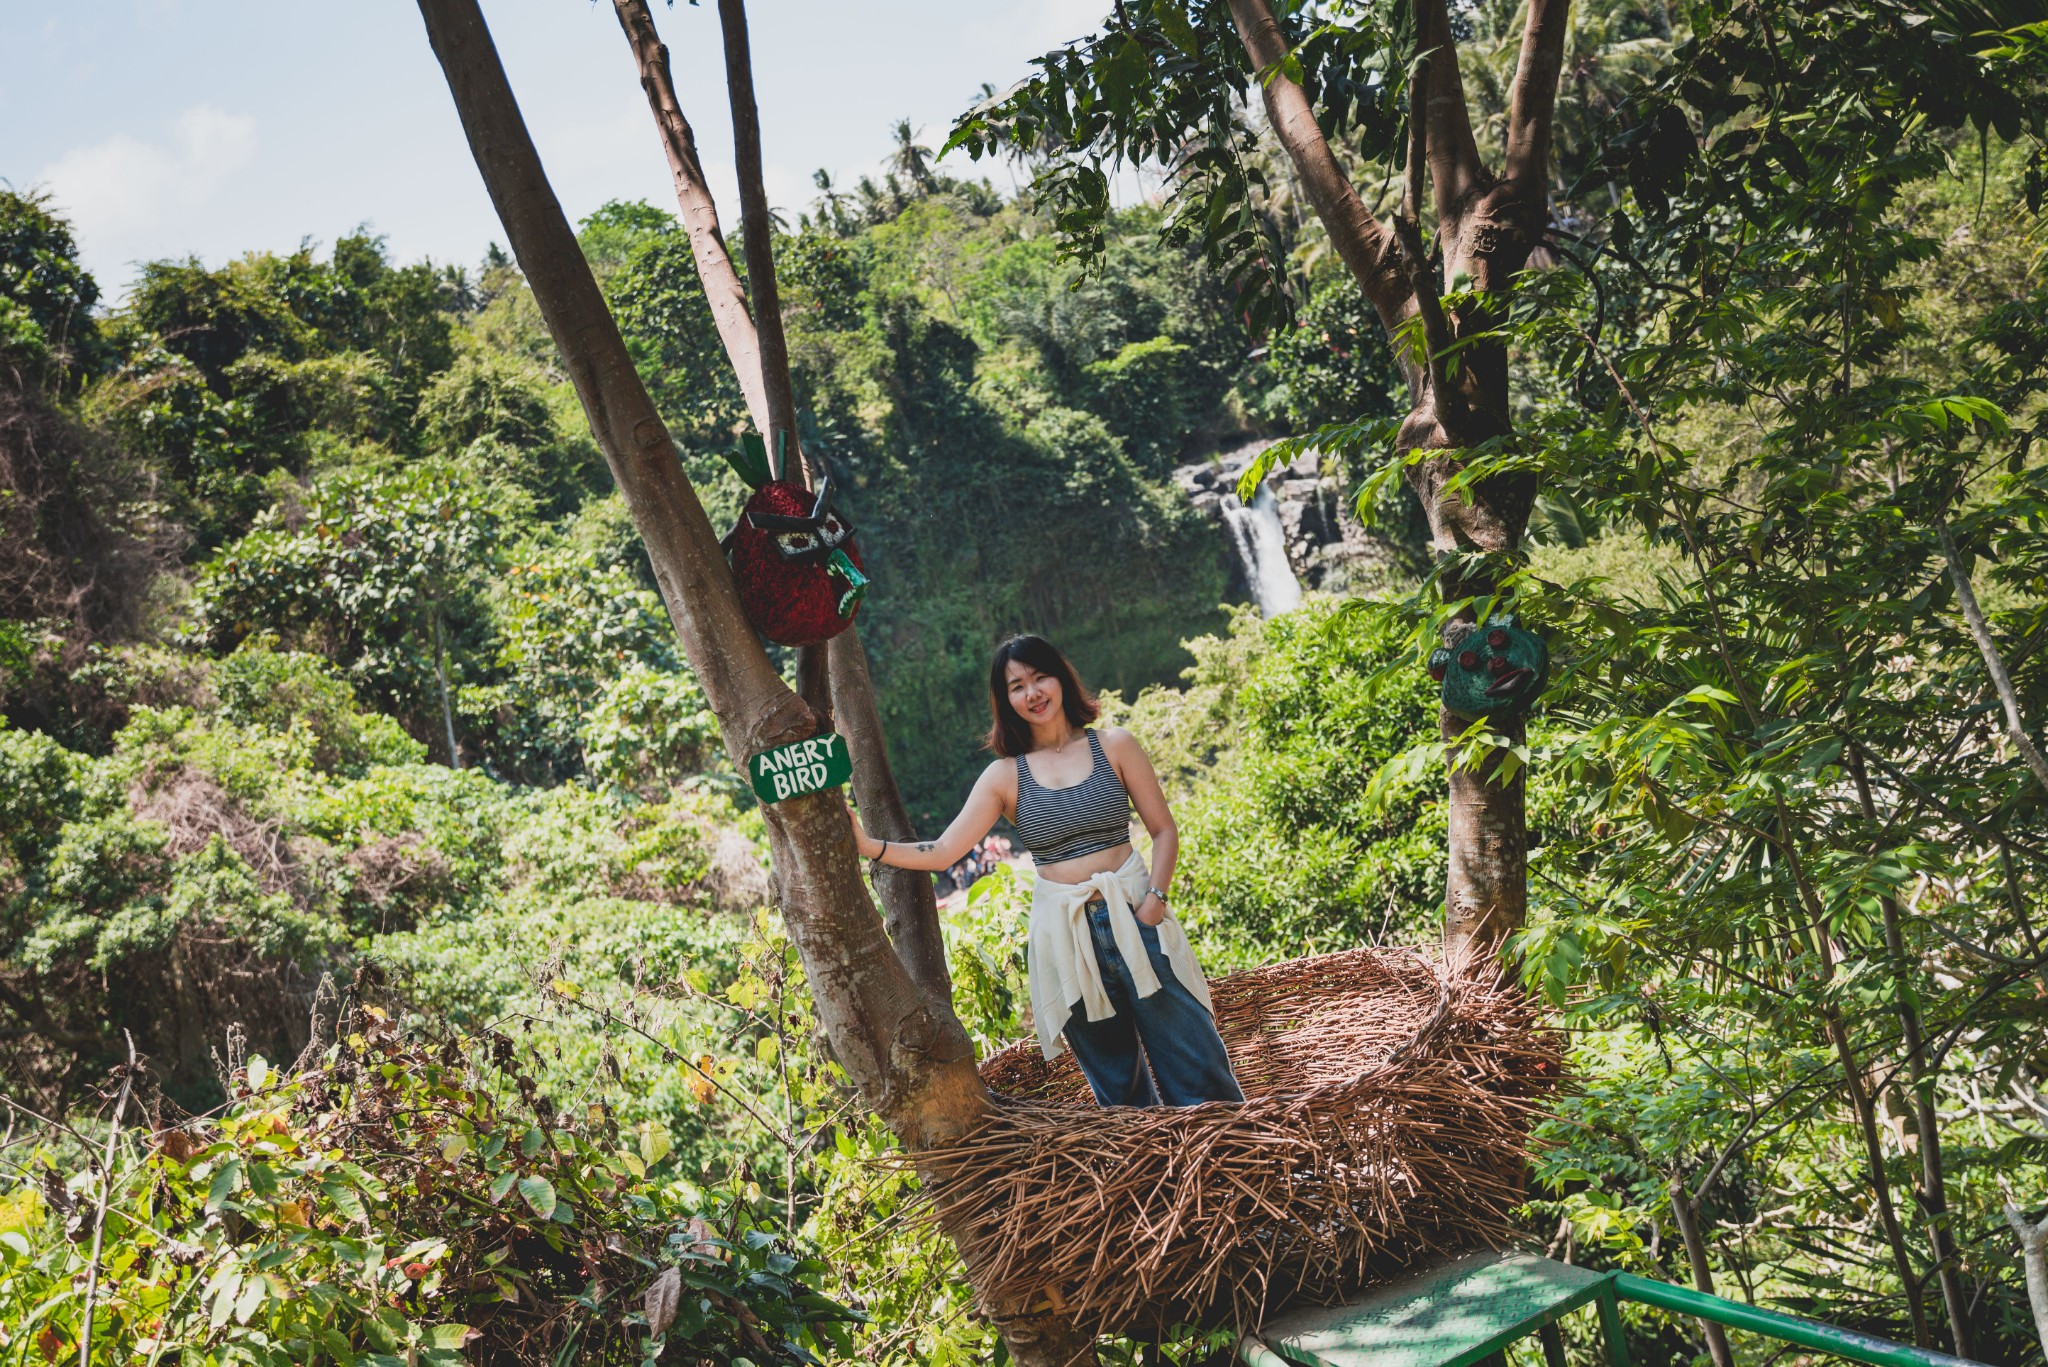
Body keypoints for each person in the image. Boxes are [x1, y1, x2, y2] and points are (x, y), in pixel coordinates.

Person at [846, 634, 1242, 1107]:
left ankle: (1233, 1177)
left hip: (1136, 918)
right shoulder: (1005, 776)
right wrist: (870, 846)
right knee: (1119, 1095)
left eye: (1039, 677)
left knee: (1199, 1070)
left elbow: (1163, 830)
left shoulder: (1115, 746)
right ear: (1005, 700)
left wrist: (1154, 903)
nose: (1032, 693)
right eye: (1017, 685)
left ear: (1061, 679)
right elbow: (943, 850)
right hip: (1066, 940)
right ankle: (1158, 1182)